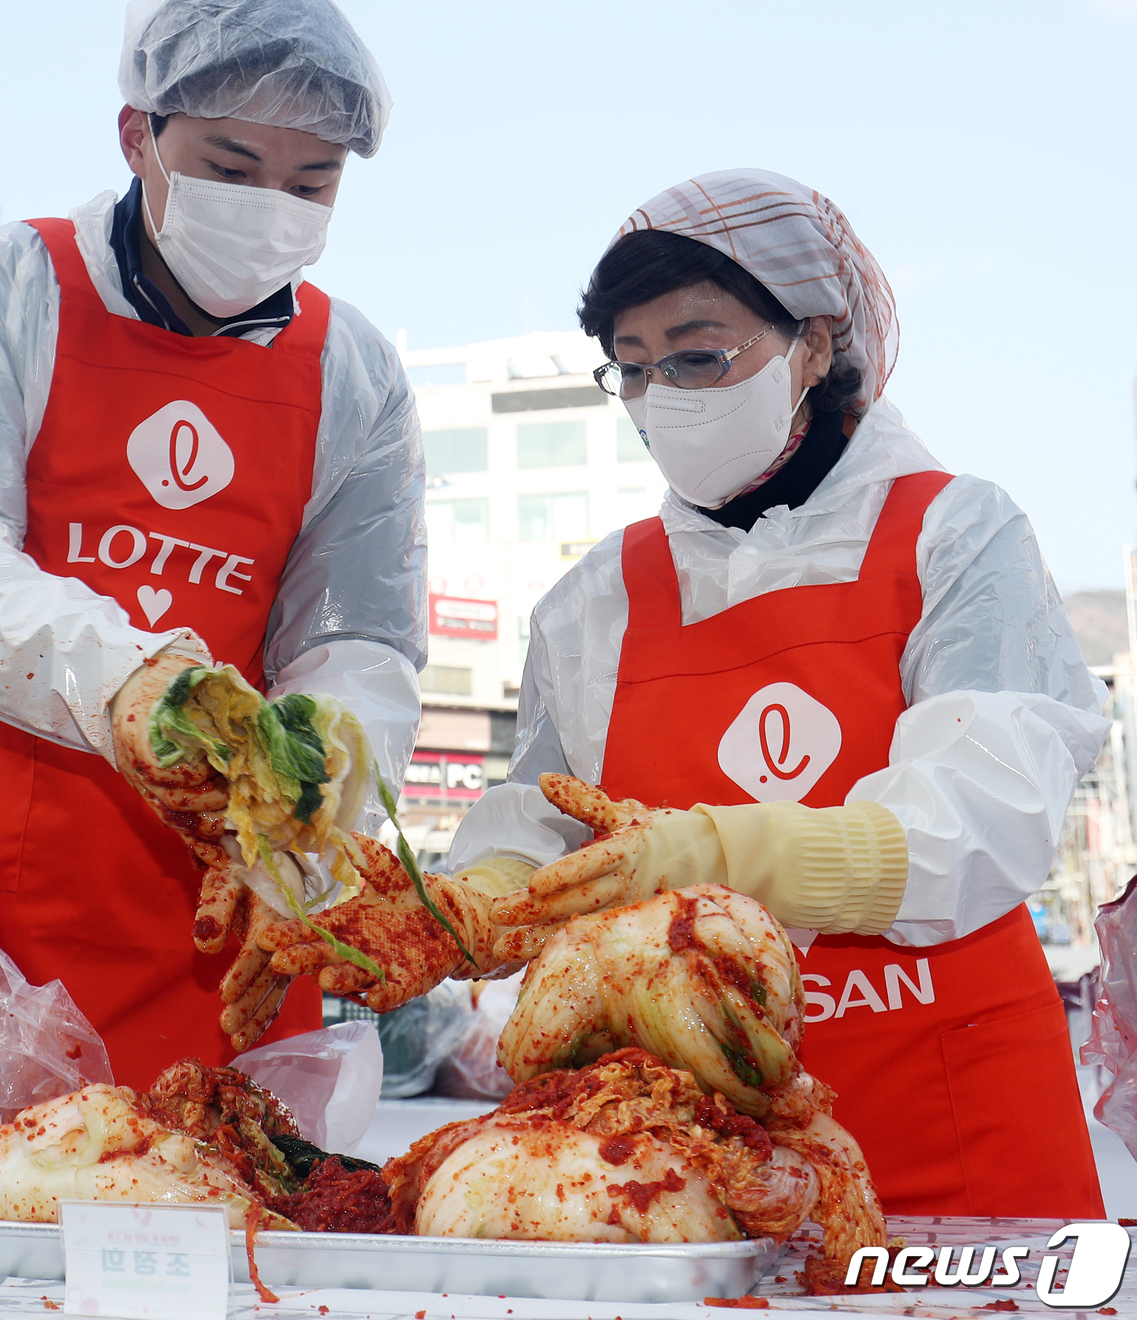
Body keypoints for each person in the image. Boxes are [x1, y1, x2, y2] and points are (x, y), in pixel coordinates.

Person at [256, 170, 1107, 1218]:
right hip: (686, 1164)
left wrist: (707, 853)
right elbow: (541, 818)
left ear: (814, 341)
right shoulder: (592, 601)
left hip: (952, 1136)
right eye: (635, 370)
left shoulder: (952, 536)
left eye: (701, 353)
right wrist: (481, 895)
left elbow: (981, 820)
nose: (666, 396)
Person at [0, 0, 424, 1088]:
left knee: (208, 1201)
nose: (270, 208)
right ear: (136, 136)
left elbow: (359, 639)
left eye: (311, 184)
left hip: (205, 920)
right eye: (231, 166)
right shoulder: (2, 292)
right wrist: (123, 677)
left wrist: (324, 774)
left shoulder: (352, 373)